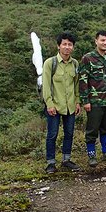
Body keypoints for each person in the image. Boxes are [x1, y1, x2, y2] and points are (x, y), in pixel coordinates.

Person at [79, 30, 106, 167]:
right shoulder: (88, 58)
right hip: (95, 101)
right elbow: (83, 79)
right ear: (96, 41)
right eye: (102, 40)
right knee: (92, 129)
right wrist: (85, 101)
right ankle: (91, 155)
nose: (105, 43)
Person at [42, 32, 81, 173]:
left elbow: (76, 84)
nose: (67, 47)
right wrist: (49, 104)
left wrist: (77, 101)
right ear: (58, 46)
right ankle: (51, 162)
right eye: (64, 44)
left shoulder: (75, 64)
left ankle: (66, 159)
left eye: (70, 44)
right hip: (55, 105)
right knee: (52, 134)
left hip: (70, 105)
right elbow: (46, 85)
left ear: (73, 47)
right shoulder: (50, 63)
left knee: (69, 133)